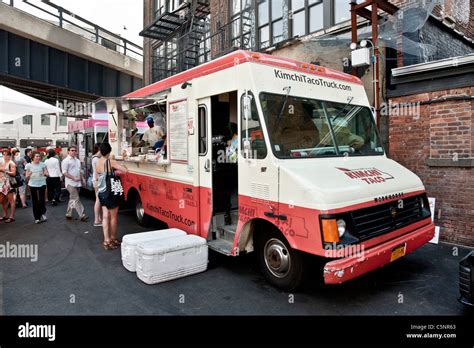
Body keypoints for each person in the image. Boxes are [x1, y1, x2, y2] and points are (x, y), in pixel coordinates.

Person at [95, 143, 128, 250]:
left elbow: (97, 176)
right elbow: (125, 170)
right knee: (113, 217)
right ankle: (113, 238)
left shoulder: (98, 162)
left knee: (105, 216)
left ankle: (106, 240)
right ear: (109, 151)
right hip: (111, 192)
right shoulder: (110, 162)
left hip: (102, 192)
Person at [61, 146, 88, 222]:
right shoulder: (65, 161)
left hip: (78, 183)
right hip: (70, 183)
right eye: (72, 150)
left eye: (75, 150)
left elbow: (80, 171)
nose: (74, 152)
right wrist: (73, 178)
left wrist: (83, 179)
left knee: (72, 198)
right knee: (76, 198)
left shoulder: (77, 160)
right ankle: (82, 215)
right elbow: (64, 172)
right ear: (68, 152)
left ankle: (68, 213)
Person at [25, 152, 48, 224]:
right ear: (32, 157)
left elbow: (47, 173)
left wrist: (44, 174)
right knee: (34, 201)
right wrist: (28, 174)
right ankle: (37, 218)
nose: (38, 158)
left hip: (42, 183)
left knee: (41, 200)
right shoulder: (28, 165)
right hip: (32, 184)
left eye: (39, 156)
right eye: (36, 156)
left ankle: (42, 213)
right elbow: (26, 176)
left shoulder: (43, 164)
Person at [0, 149, 17, 223]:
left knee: (11, 200)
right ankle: (5, 215)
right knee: (2, 200)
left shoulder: (11, 163)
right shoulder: (1, 161)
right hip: (1, 183)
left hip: (9, 183)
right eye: (3, 154)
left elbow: (13, 173)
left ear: (9, 155)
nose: (5, 156)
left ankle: (11, 217)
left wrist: (4, 171)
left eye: (6, 154)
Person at [91, 144, 102, 227]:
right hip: (98, 181)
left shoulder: (94, 157)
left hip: (96, 181)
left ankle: (99, 219)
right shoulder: (96, 159)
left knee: (98, 200)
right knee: (98, 200)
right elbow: (97, 172)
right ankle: (96, 220)